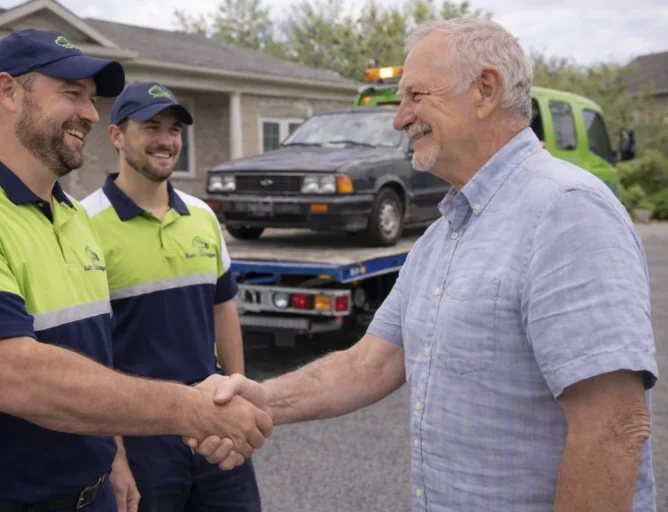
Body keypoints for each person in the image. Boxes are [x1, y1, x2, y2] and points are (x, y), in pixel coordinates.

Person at [188, 18, 660, 512]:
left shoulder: (565, 211)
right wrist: (258, 400)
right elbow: (372, 363)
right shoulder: (443, 234)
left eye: (415, 95)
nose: (398, 119)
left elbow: (612, 430)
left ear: (485, 90)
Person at [0, 29, 271, 512]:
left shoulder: (73, 216)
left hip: (88, 495)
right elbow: (14, 378)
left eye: (93, 100)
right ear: (9, 92)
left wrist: (112, 458)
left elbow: (93, 354)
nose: (91, 115)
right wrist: (193, 409)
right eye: (72, 94)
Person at [80, 81, 261, 512]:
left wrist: (238, 395)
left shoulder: (201, 216)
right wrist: (115, 453)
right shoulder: (82, 224)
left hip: (212, 420)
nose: (166, 141)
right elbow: (87, 351)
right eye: (151, 127)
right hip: (139, 435)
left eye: (175, 129)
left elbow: (223, 309)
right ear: (117, 136)